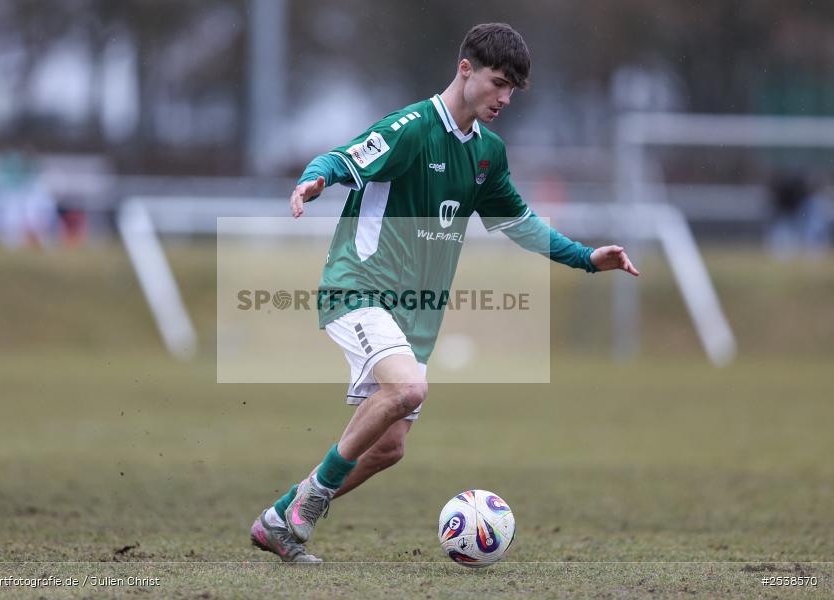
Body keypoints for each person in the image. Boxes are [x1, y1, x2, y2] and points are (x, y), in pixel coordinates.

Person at [250, 23, 639, 563]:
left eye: (512, 90)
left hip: (415, 314)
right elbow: (343, 158)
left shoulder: (488, 153)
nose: (505, 99)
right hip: (359, 287)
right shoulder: (411, 129)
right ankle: (312, 499)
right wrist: (314, 181)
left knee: (389, 446)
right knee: (408, 389)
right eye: (498, 83)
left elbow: (520, 223)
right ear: (465, 69)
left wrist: (586, 258)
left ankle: (278, 521)